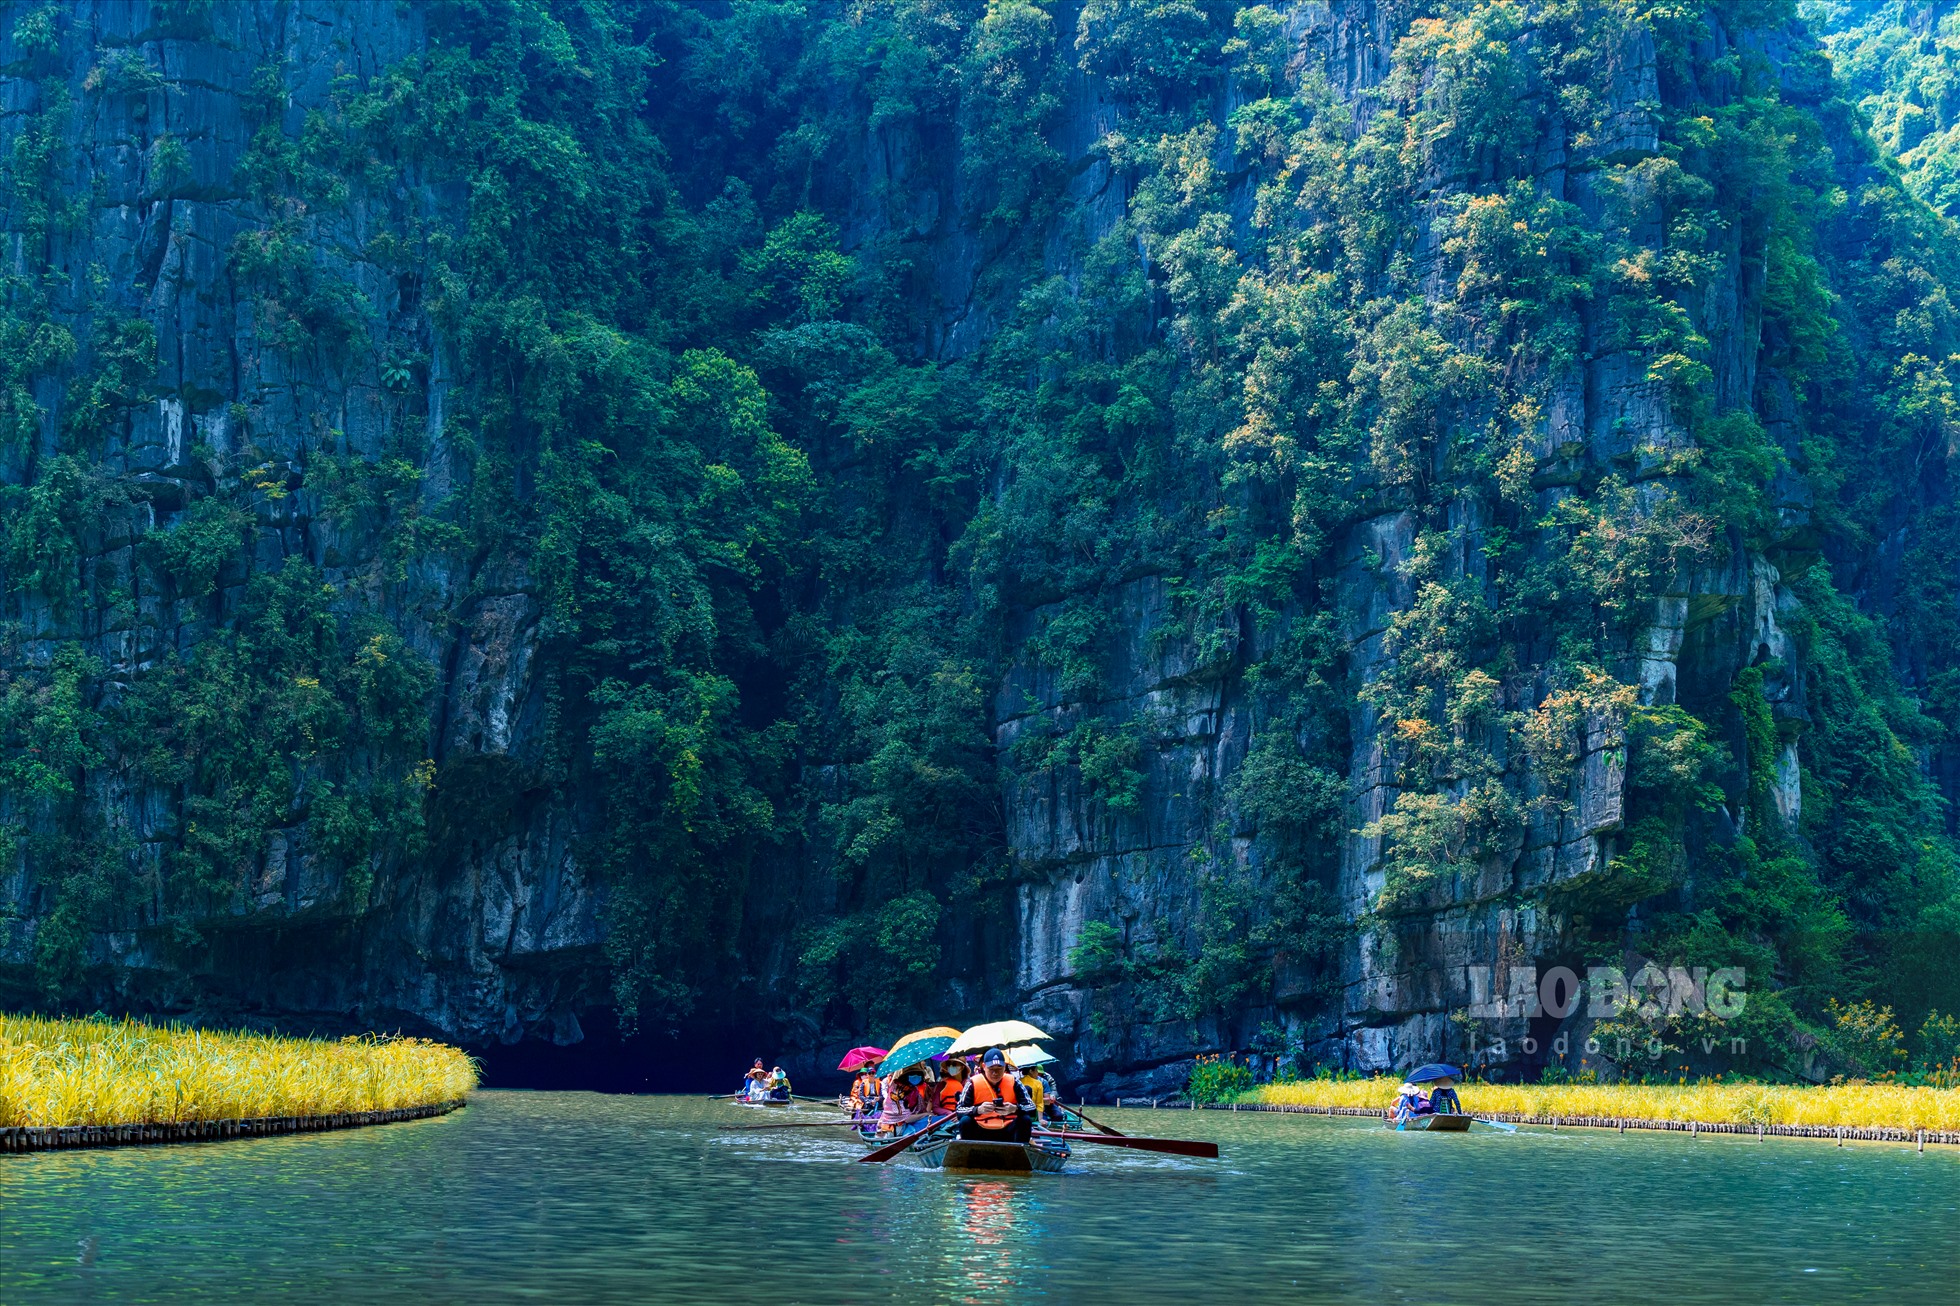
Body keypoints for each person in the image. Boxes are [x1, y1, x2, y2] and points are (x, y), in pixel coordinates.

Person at [957, 1048, 1033, 1143]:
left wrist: (1015, 1109)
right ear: (984, 1066)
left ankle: (1020, 1152)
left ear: (1005, 1067)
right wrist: (978, 1110)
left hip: (1008, 1128)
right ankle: (969, 1152)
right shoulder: (972, 1083)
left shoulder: (1014, 1081)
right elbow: (959, 1110)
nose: (995, 1073)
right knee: (965, 1121)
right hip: (981, 1129)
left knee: (1025, 1120)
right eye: (991, 1069)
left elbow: (1031, 1107)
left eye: (999, 1068)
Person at [876, 1063, 933, 1137]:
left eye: (918, 1074)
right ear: (905, 1076)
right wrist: (926, 1114)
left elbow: (921, 1109)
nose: (916, 1076)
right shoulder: (896, 1090)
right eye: (912, 1074)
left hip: (906, 1126)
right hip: (890, 1130)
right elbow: (906, 1118)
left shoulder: (913, 1089)